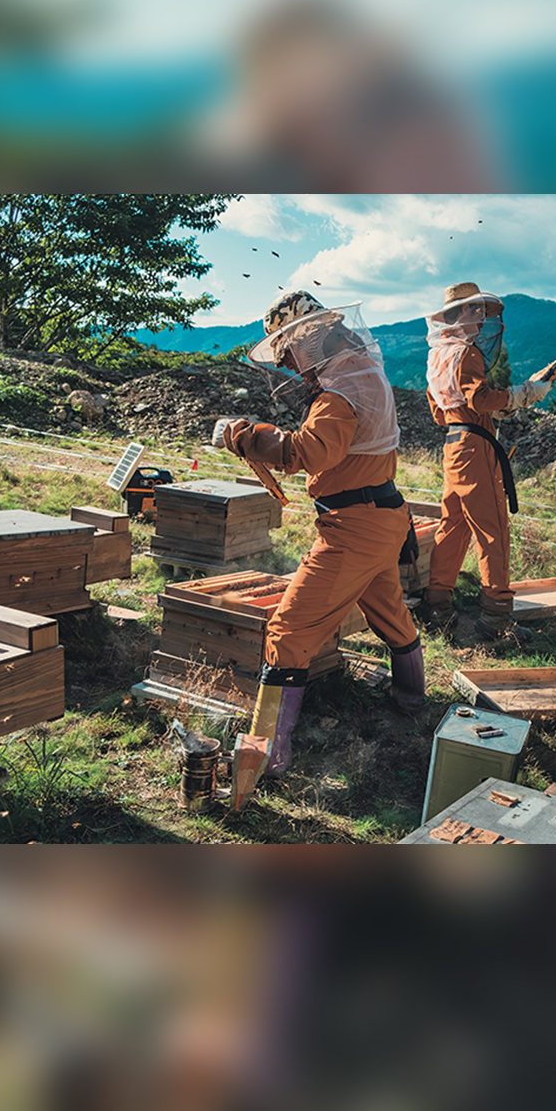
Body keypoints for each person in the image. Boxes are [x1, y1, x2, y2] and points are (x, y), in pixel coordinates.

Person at [221, 290, 424, 778]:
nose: (289, 362)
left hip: (353, 528)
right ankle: (412, 700)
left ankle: (270, 752)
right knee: (390, 613)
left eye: (288, 350)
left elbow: (306, 454)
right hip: (383, 517)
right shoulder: (361, 374)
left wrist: (244, 434)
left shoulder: (340, 394)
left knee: (288, 631)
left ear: (308, 338)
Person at [422, 281, 556, 643]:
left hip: (453, 444)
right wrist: (523, 394)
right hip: (475, 446)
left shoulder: (437, 355)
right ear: (459, 314)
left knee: (453, 525)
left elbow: (438, 411)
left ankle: (438, 608)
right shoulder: (465, 353)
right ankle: (496, 620)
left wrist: (472, 415)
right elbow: (480, 399)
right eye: (476, 310)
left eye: (484, 311)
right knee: (492, 528)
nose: (482, 319)